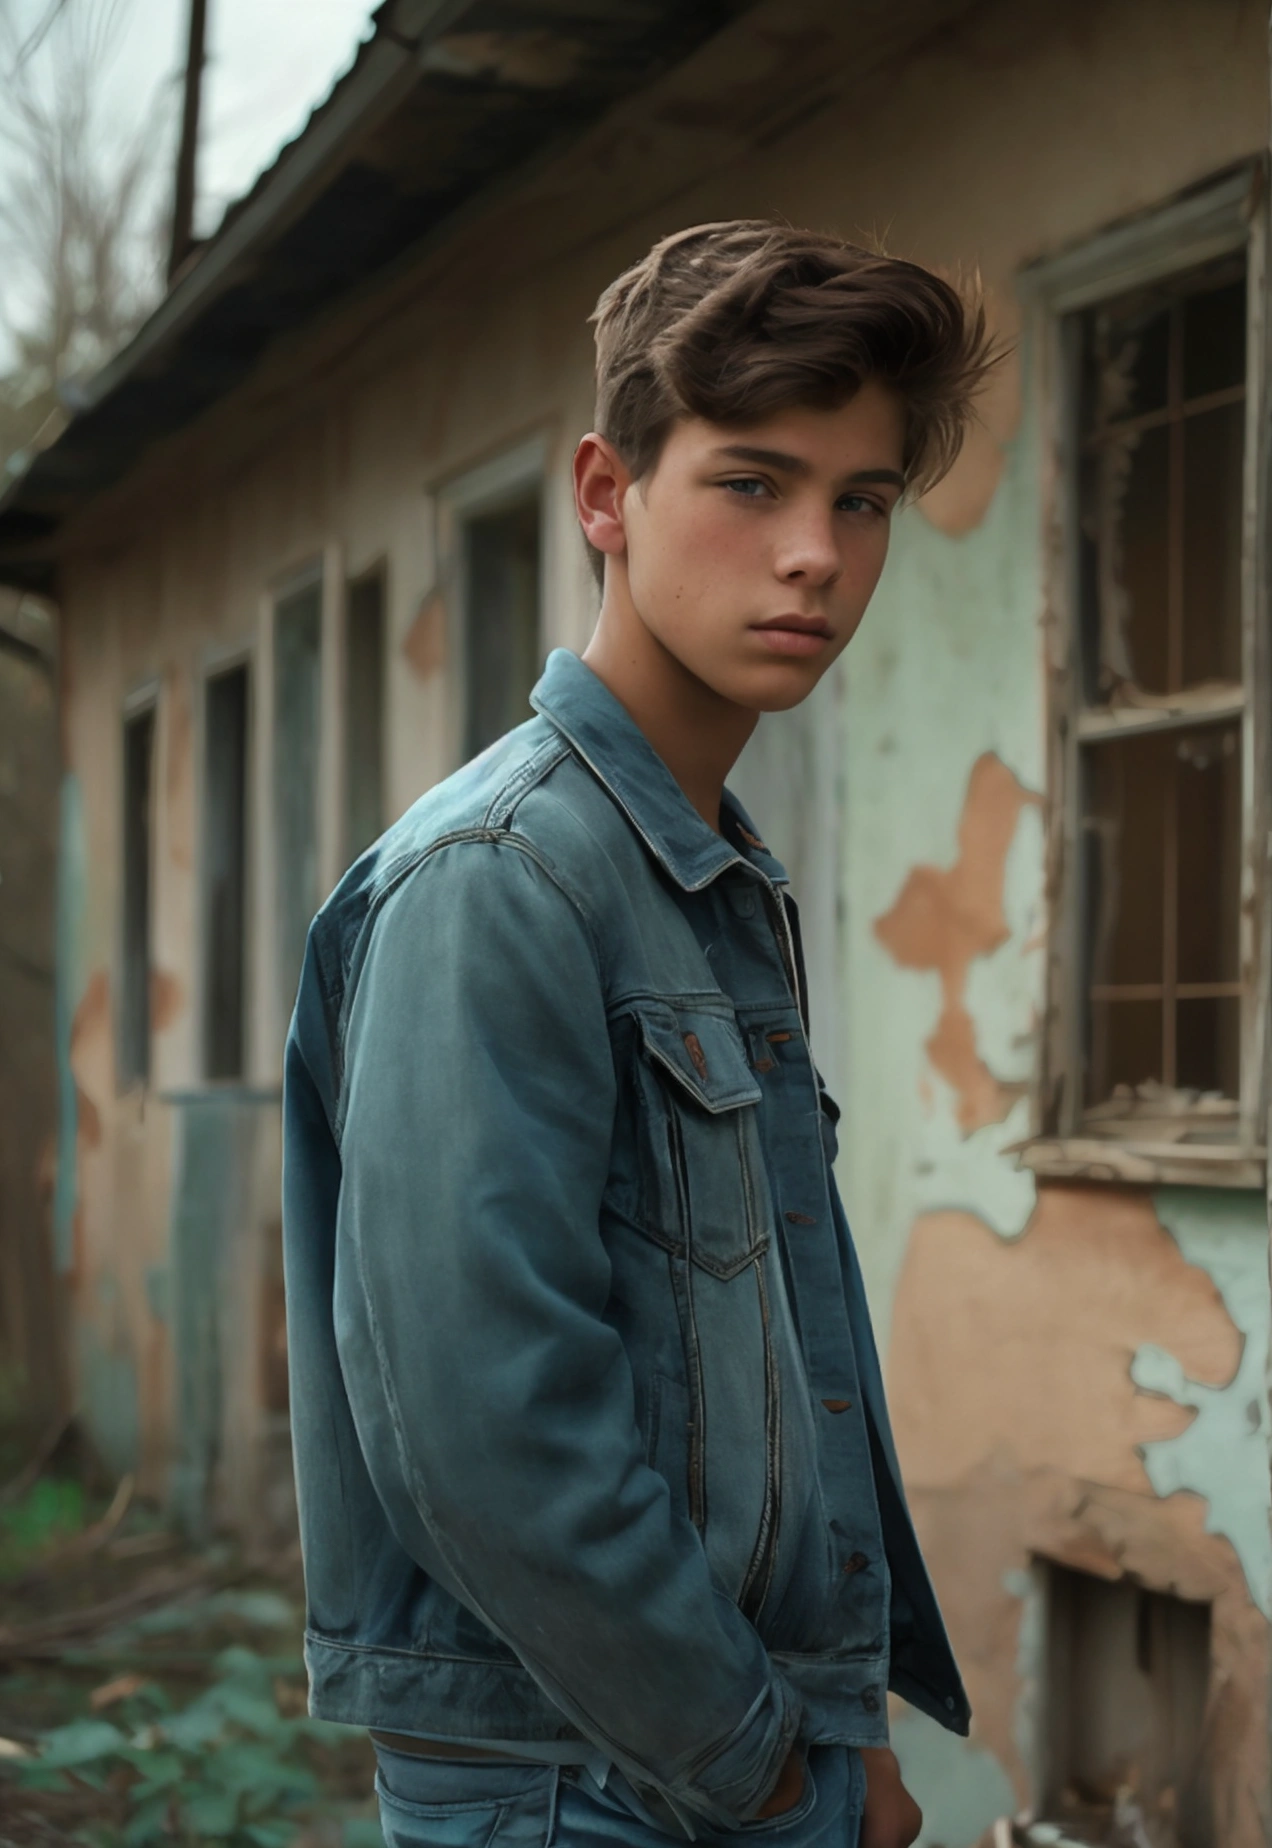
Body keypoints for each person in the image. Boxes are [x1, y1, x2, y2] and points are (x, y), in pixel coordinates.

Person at [282, 220, 995, 1848]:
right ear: (609, 494)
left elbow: (748, 1380)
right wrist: (764, 1771)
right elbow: (482, 1436)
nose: (814, 552)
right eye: (753, 483)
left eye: (862, 501)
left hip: (687, 1753)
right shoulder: (503, 879)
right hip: (580, 1782)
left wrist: (836, 1727)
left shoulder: (696, 872)